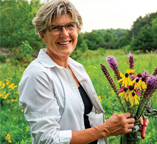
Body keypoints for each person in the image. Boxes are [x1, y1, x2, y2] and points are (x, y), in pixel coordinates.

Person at [18, 0, 149, 143]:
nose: (64, 33)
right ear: (43, 35)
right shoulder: (37, 75)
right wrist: (106, 129)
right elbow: (47, 139)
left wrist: (126, 122)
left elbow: (85, 120)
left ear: (77, 29)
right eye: (55, 28)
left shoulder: (76, 67)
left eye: (70, 26)